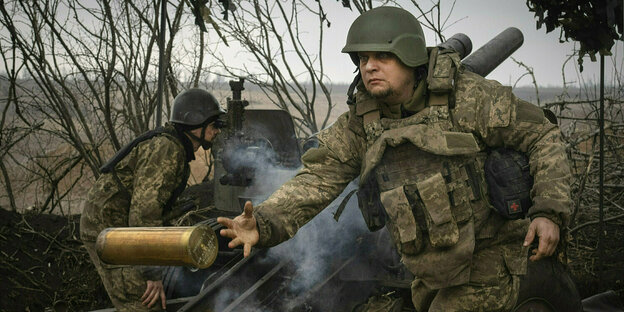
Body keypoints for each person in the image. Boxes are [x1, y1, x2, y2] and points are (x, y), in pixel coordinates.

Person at [218, 6, 577, 312]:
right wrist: (262, 223)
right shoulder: (363, 122)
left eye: (381, 57)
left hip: (493, 256)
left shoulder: (468, 98)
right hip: (433, 271)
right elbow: (315, 180)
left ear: (409, 56)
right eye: (362, 59)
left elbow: (542, 136)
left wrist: (549, 211)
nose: (368, 67)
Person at [80, 88, 224, 311]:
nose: (216, 132)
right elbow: (143, 213)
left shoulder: (174, 146)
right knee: (144, 303)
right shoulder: (167, 149)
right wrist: (152, 274)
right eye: (214, 125)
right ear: (195, 123)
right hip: (109, 230)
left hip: (122, 227)